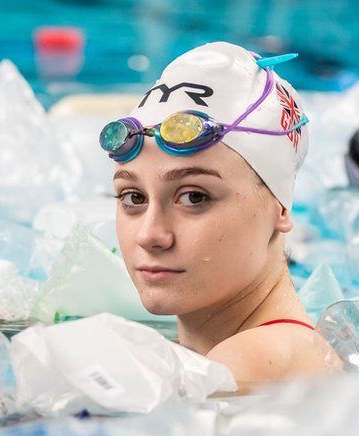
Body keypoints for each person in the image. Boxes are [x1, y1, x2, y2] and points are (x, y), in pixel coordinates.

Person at [99, 42, 333, 391]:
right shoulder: (255, 351)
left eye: (194, 197)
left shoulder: (253, 362)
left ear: (281, 207)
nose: (149, 235)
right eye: (133, 197)